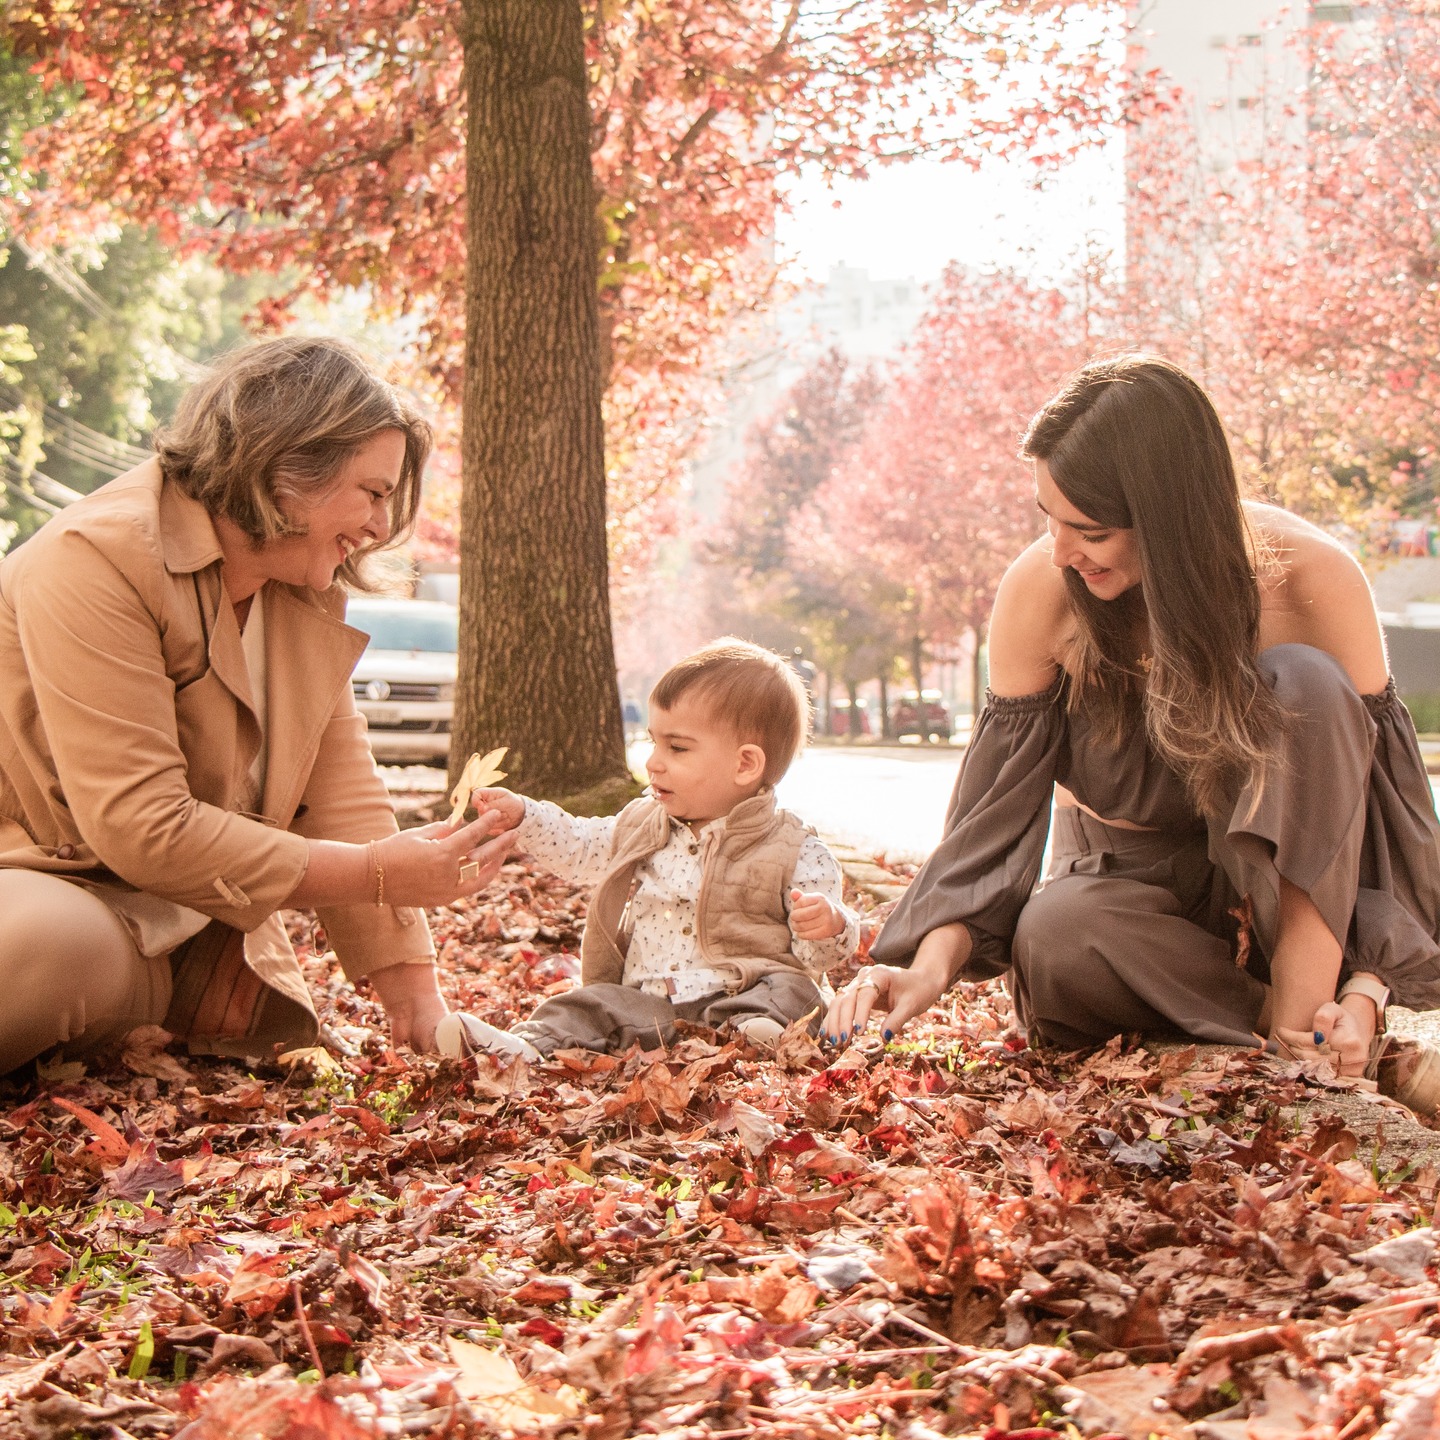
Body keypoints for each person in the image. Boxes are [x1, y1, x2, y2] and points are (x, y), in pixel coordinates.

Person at [823, 355, 1440, 1114]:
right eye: (1047, 517)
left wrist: (1368, 988)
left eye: (1089, 530)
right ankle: (1312, 1041)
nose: (1059, 551)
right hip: (1125, 904)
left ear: (1172, 518)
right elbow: (990, 825)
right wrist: (924, 966)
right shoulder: (1043, 598)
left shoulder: (1314, 579)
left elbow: (1383, 826)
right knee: (1052, 932)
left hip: (1296, 910)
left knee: (1309, 682)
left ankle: (1305, 1023)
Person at [0, 337, 515, 1074]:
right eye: (371, 492)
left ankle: (136, 1027)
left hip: (190, 943)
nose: (377, 524)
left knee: (98, 967)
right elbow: (142, 828)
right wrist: (374, 871)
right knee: (56, 946)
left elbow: (339, 787)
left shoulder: (295, 584)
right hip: (51, 896)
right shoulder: (96, 559)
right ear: (286, 468)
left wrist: (418, 1003)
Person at [435, 638, 858, 1060]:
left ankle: (756, 1037)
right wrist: (527, 816)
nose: (654, 762)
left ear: (744, 764)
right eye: (653, 742)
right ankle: (523, 1047)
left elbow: (816, 958)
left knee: (794, 989)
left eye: (676, 748)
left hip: (744, 990)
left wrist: (828, 925)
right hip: (650, 1003)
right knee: (589, 1005)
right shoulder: (641, 824)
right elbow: (580, 846)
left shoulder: (794, 847)